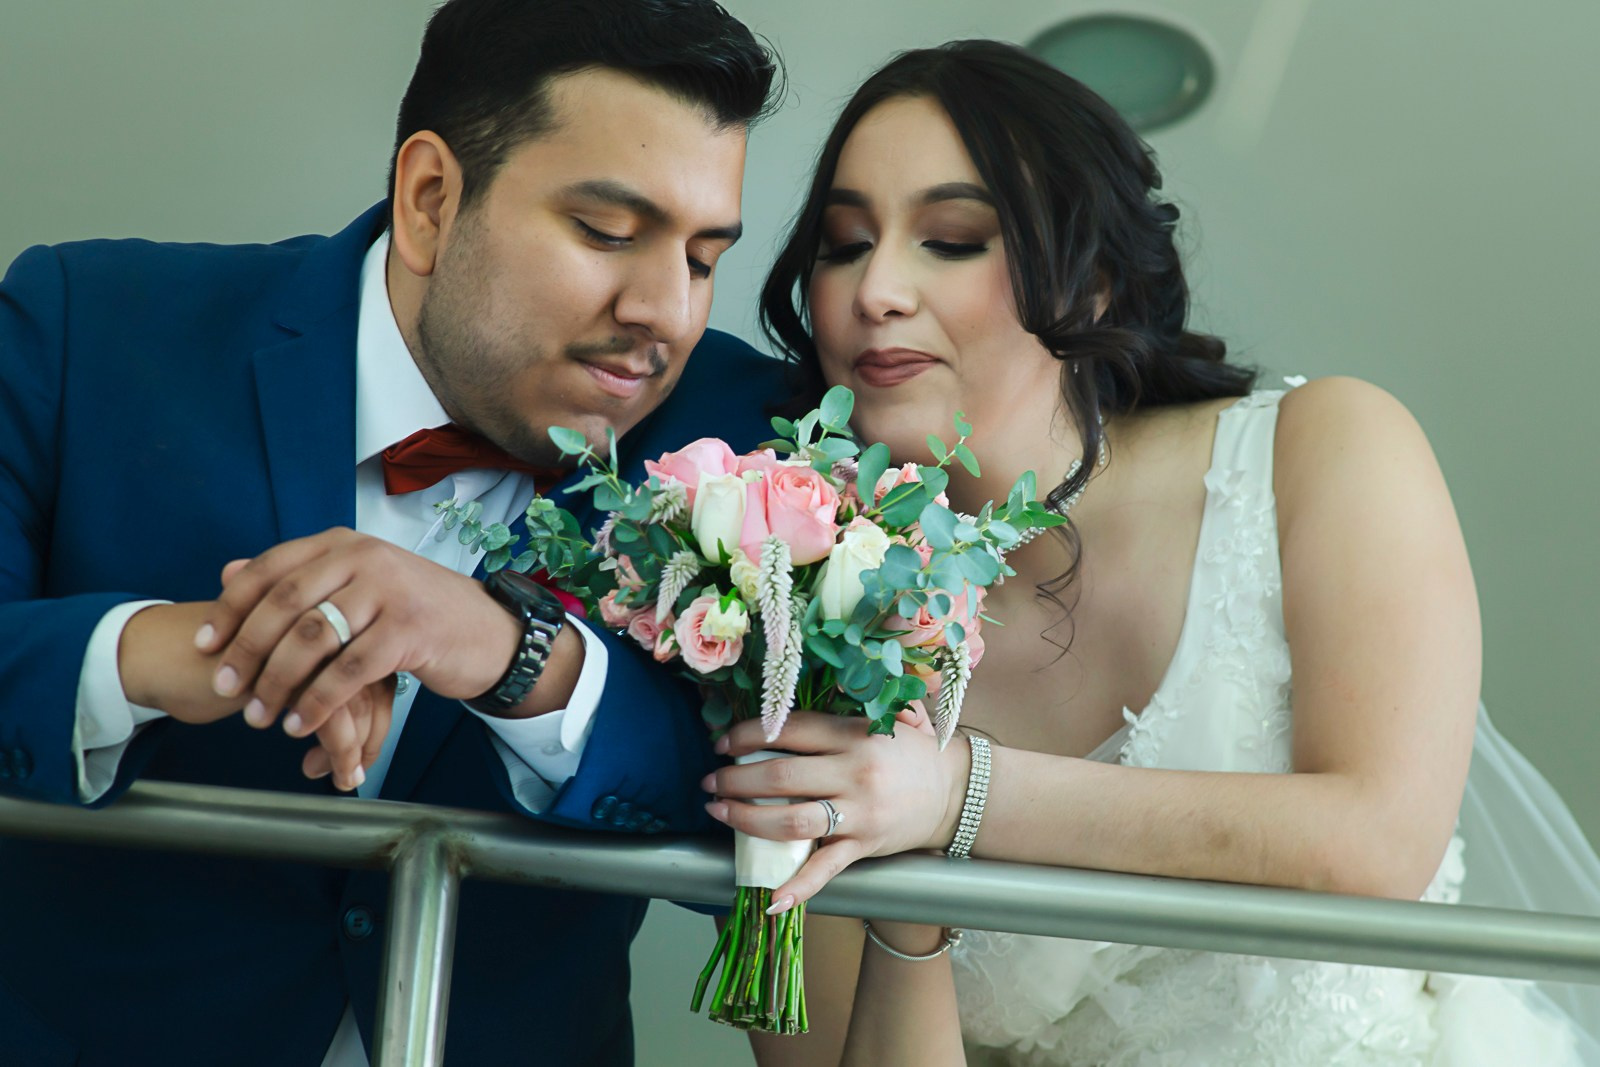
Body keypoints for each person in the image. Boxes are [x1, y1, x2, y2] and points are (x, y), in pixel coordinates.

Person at [701, 41, 1600, 1065]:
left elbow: (1379, 838)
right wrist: (907, 905)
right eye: (843, 244)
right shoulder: (797, 622)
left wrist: (955, 795)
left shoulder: (1323, 448)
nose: (875, 290)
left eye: (950, 239)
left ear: (1089, 282)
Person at [0, 1, 785, 1064]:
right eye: (607, 232)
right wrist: (187, 652)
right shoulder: (86, 325)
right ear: (429, 199)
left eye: (702, 258)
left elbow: (774, 797)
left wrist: (516, 660)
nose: (667, 312)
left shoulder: (751, 443)